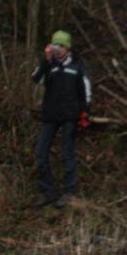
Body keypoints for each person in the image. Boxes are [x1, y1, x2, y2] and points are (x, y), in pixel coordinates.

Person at [31, 30, 91, 208]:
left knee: (67, 154)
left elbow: (86, 90)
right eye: (55, 45)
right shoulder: (49, 65)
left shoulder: (77, 65)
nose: (58, 49)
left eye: (61, 46)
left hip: (70, 117)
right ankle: (47, 191)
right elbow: (36, 79)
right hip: (50, 115)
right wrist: (46, 61)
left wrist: (85, 112)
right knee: (40, 153)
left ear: (67, 47)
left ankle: (68, 192)